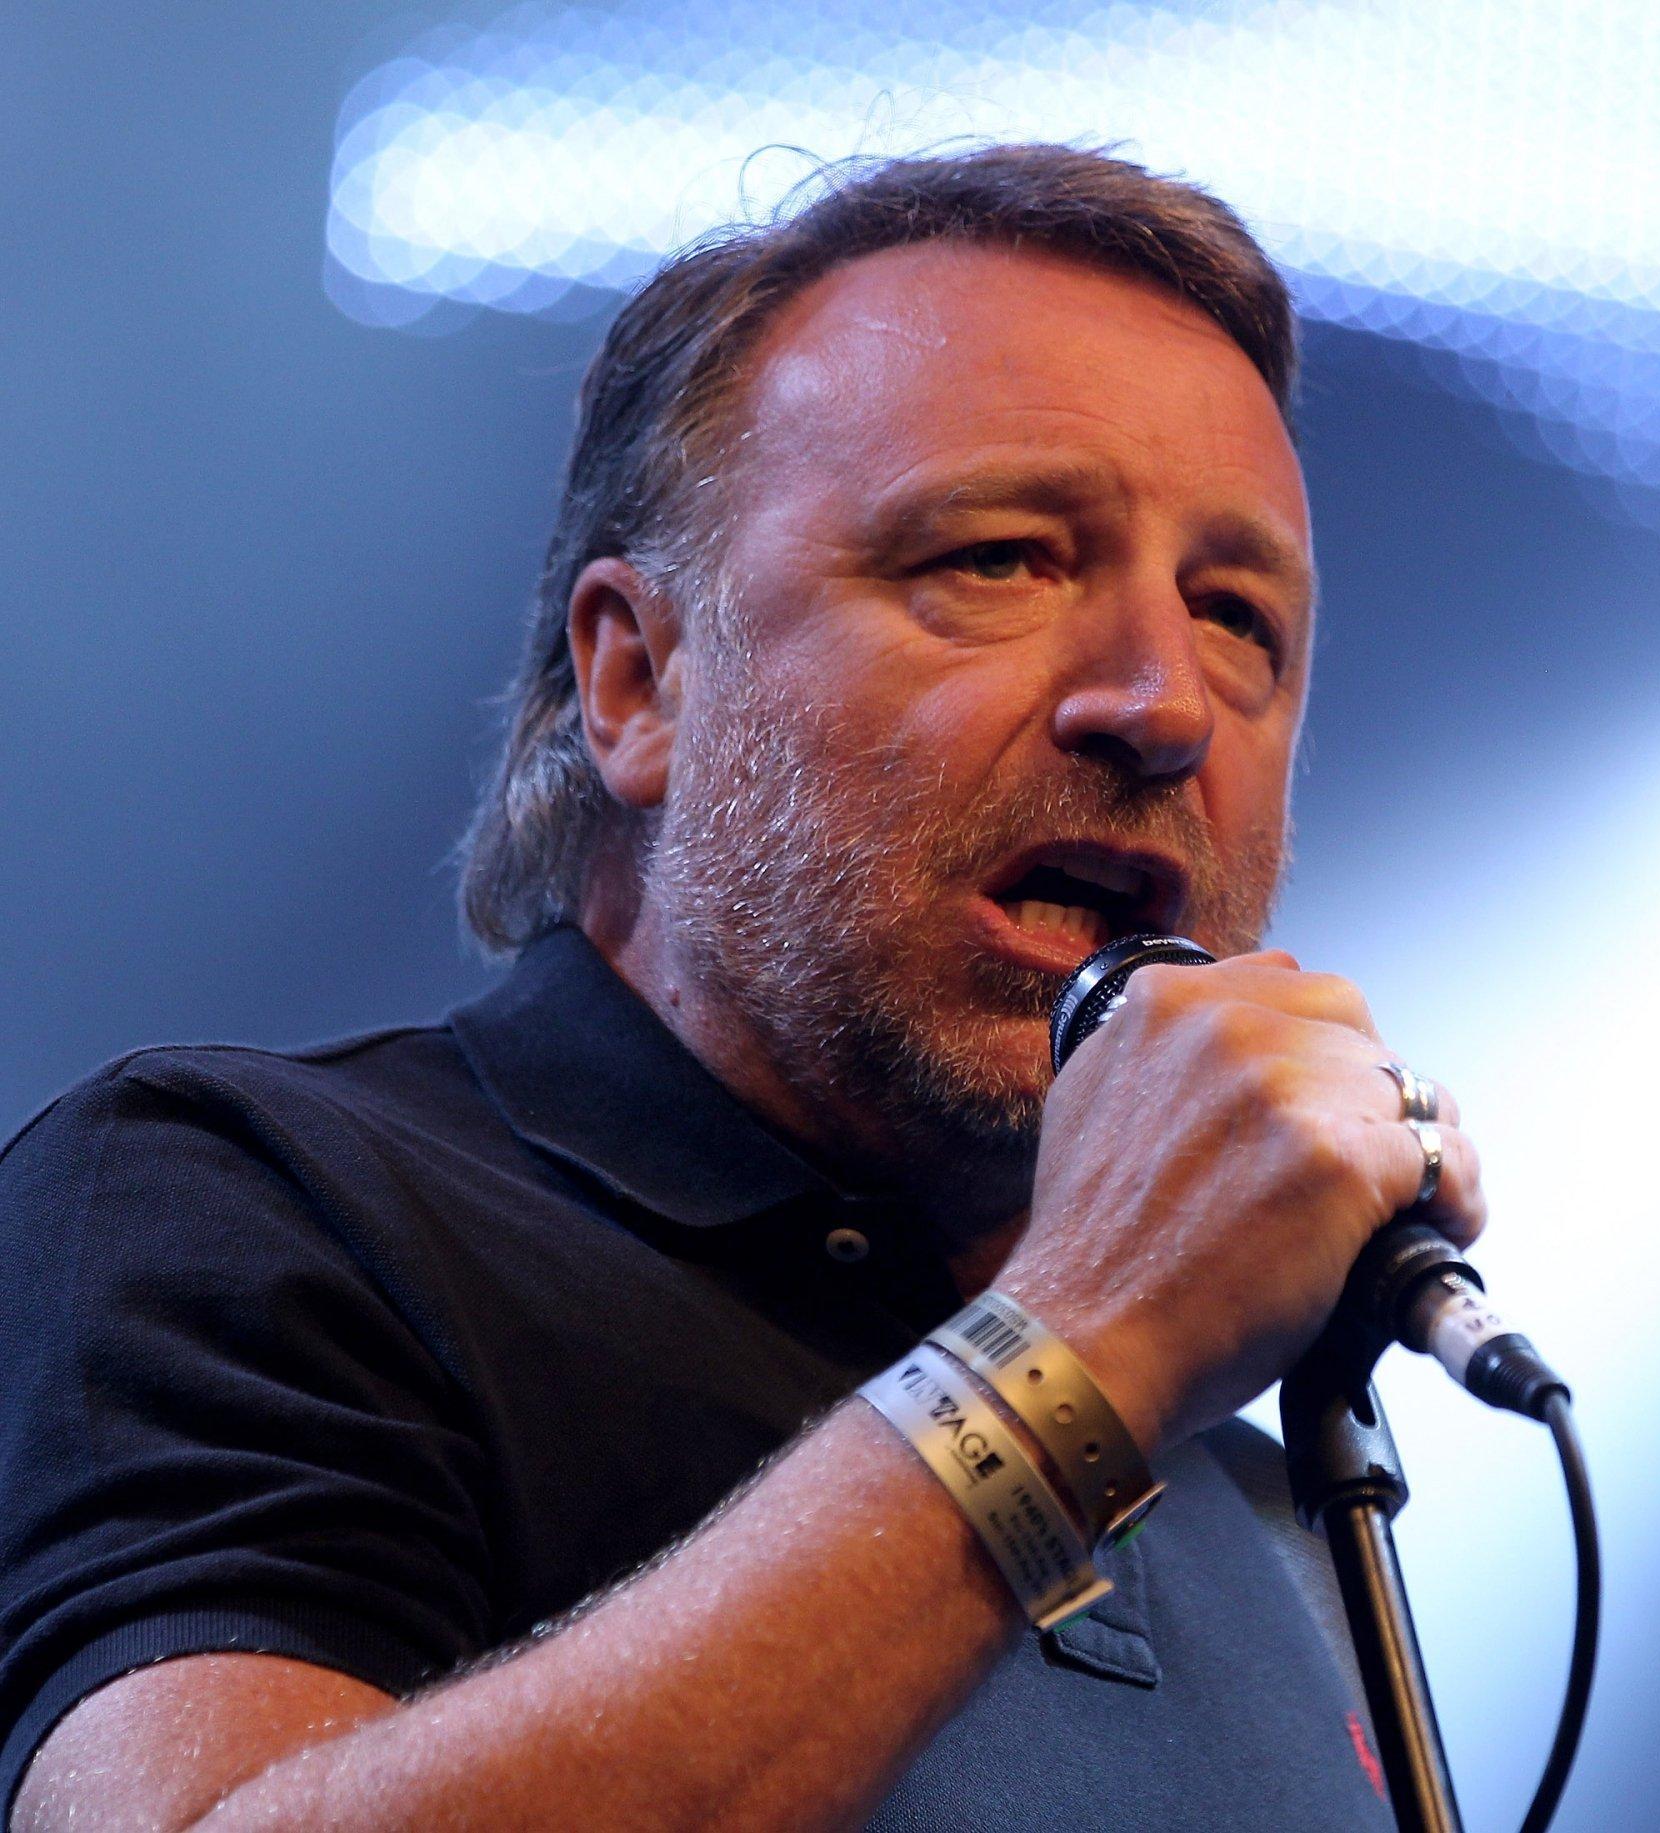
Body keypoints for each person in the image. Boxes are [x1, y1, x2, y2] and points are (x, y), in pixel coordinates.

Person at [0, 144, 1486, 1829]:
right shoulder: (255, 1201)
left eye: (1239, 616)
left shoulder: (1270, 1500)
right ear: (637, 677)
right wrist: (1083, 1354)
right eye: (997, 557)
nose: (1161, 702)